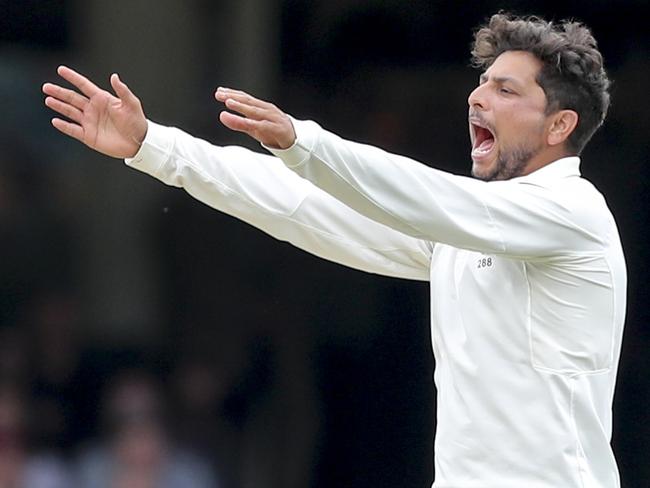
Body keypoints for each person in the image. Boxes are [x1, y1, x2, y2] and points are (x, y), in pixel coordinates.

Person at [42, 12, 626, 488]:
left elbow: (429, 195)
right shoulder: (463, 229)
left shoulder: (574, 214)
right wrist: (154, 147)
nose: (478, 98)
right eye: (481, 82)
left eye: (505, 89)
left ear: (559, 126)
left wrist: (303, 142)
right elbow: (302, 209)